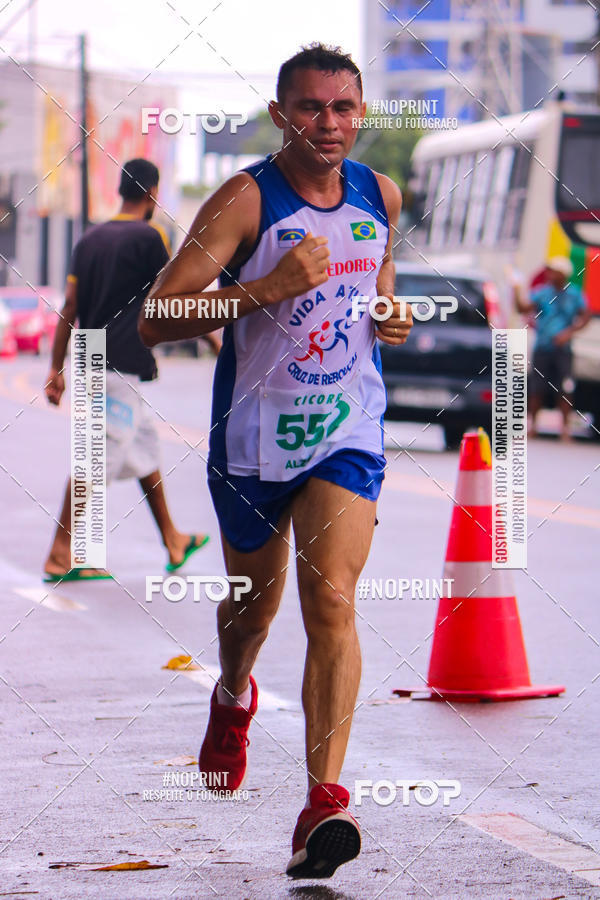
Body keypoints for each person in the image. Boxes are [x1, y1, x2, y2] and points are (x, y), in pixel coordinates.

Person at [139, 44, 412, 878]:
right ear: (279, 114)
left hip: (347, 428)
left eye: (343, 108)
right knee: (252, 615)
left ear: (360, 113)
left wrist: (390, 315)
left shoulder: (381, 193)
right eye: (309, 108)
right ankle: (232, 698)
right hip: (255, 439)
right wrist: (271, 284)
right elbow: (157, 316)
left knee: (331, 599)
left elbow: (376, 282)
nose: (328, 124)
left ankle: (321, 806)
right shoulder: (245, 199)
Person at [44, 158, 209, 582]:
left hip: (93, 356)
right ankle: (60, 553)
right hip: (120, 362)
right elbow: (178, 297)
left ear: (121, 189)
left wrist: (55, 367)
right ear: (152, 193)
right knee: (94, 459)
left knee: (143, 451)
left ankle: (172, 539)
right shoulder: (150, 237)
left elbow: (70, 307)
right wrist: (217, 341)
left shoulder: (89, 239)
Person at [513, 256, 591, 440]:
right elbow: (523, 308)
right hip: (543, 347)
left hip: (564, 350)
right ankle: (533, 426)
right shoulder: (542, 293)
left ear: (563, 274)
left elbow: (585, 316)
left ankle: (565, 430)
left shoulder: (574, 294)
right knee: (537, 388)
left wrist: (569, 333)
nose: (549, 274)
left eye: (553, 271)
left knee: (565, 389)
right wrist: (516, 290)